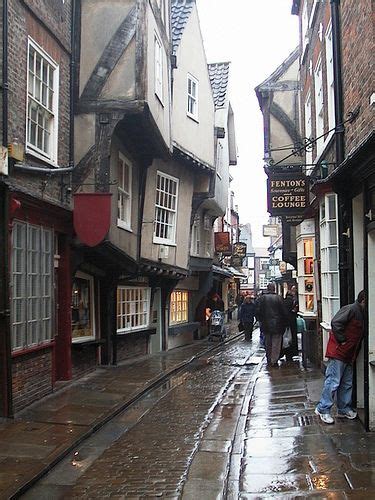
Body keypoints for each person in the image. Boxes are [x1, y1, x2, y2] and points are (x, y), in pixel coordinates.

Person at [315, 290, 365, 425]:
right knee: (333, 381)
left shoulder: (357, 311)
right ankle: (323, 409)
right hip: (340, 351)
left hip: (347, 353)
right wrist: (343, 341)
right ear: (363, 301)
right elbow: (336, 323)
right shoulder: (351, 310)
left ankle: (343, 408)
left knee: (346, 382)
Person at [255, 283, 289, 366]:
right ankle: (274, 360)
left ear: (267, 289)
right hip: (278, 324)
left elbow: (258, 311)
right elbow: (284, 312)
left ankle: (269, 358)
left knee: (268, 342)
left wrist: (260, 320)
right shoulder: (279, 298)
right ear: (274, 289)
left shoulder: (262, 299)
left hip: (266, 324)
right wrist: (286, 322)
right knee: (276, 343)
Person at [283, 285, 299, 360]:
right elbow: (295, 310)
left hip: (285, 322)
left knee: (285, 338)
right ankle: (291, 354)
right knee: (292, 338)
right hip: (292, 322)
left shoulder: (283, 301)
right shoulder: (293, 302)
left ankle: (285, 352)